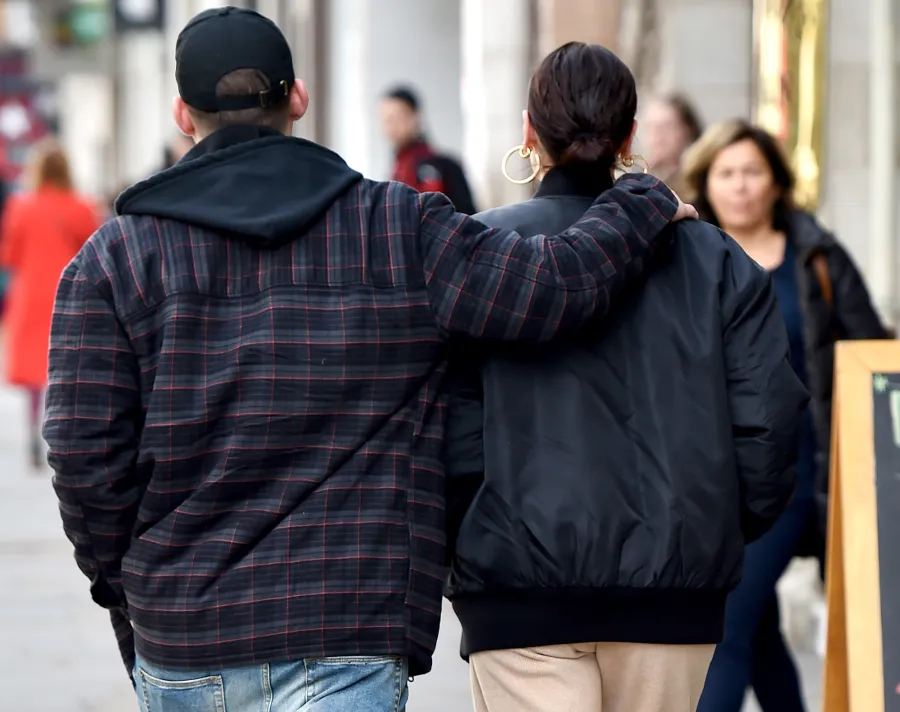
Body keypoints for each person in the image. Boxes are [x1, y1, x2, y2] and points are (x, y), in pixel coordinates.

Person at [42, 8, 697, 712]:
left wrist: (130, 593)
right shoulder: (399, 226)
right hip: (347, 621)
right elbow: (553, 287)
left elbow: (84, 460)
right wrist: (640, 201)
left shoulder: (112, 264)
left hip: (188, 631)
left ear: (181, 113)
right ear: (297, 98)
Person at [443, 43, 809, 712]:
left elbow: (450, 424)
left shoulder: (485, 254)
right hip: (669, 597)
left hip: (518, 589)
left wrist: (474, 532)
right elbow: (770, 423)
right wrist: (711, 524)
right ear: (630, 136)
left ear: (529, 131)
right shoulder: (714, 259)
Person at [681, 119, 890, 712]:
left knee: (726, 626)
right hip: (708, 480)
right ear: (706, 182)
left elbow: (870, 355)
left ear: (777, 182)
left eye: (753, 172)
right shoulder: (686, 255)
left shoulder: (817, 259)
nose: (741, 186)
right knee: (761, 631)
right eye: (727, 173)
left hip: (797, 473)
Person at [0, 139, 98, 469]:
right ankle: (65, 435)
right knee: (68, 366)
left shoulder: (21, 207)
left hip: (30, 294)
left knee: (33, 373)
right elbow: (95, 249)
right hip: (70, 293)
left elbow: (9, 255)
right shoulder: (81, 206)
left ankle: (32, 432)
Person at [380, 85, 478, 214]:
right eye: (386, 120)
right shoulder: (397, 168)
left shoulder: (444, 166)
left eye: (397, 118)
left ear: (415, 117)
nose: (391, 127)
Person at [642, 93, 703, 189]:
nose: (656, 137)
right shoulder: (637, 175)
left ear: (687, 130)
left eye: (666, 126)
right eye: (650, 127)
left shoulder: (700, 177)